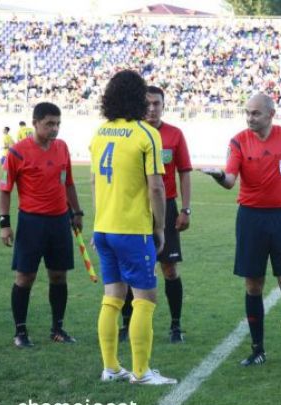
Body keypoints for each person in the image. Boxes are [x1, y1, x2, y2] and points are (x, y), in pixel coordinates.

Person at [202, 93, 281, 374]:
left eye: (255, 113)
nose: (249, 118)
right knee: (253, 285)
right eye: (247, 113)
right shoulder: (238, 141)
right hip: (251, 218)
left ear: (271, 114)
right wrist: (219, 176)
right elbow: (230, 180)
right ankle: (257, 350)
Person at [89, 69, 177, 386]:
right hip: (132, 229)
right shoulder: (145, 134)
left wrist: (99, 222)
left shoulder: (101, 132)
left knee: (112, 297)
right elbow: (156, 187)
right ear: (138, 98)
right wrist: (160, 227)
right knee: (145, 298)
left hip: (104, 228)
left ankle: (111, 367)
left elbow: (94, 182)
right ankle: (141, 372)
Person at [0, 102, 82, 348]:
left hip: (59, 221)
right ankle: (20, 332)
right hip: (31, 222)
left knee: (59, 275)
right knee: (25, 277)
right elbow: (4, 189)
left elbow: (68, 183)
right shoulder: (17, 152)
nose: (54, 128)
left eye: (57, 124)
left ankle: (57, 329)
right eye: (49, 124)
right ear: (35, 123)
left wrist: (77, 212)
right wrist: (4, 224)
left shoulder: (62, 147)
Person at [120, 86, 193, 344]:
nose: (152, 108)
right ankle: (127, 323)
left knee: (169, 268)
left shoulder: (175, 134)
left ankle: (175, 325)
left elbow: (184, 172)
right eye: (147, 103)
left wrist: (185, 209)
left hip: (166, 207)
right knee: (131, 268)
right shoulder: (131, 132)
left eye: (156, 104)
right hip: (135, 207)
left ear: (164, 105)